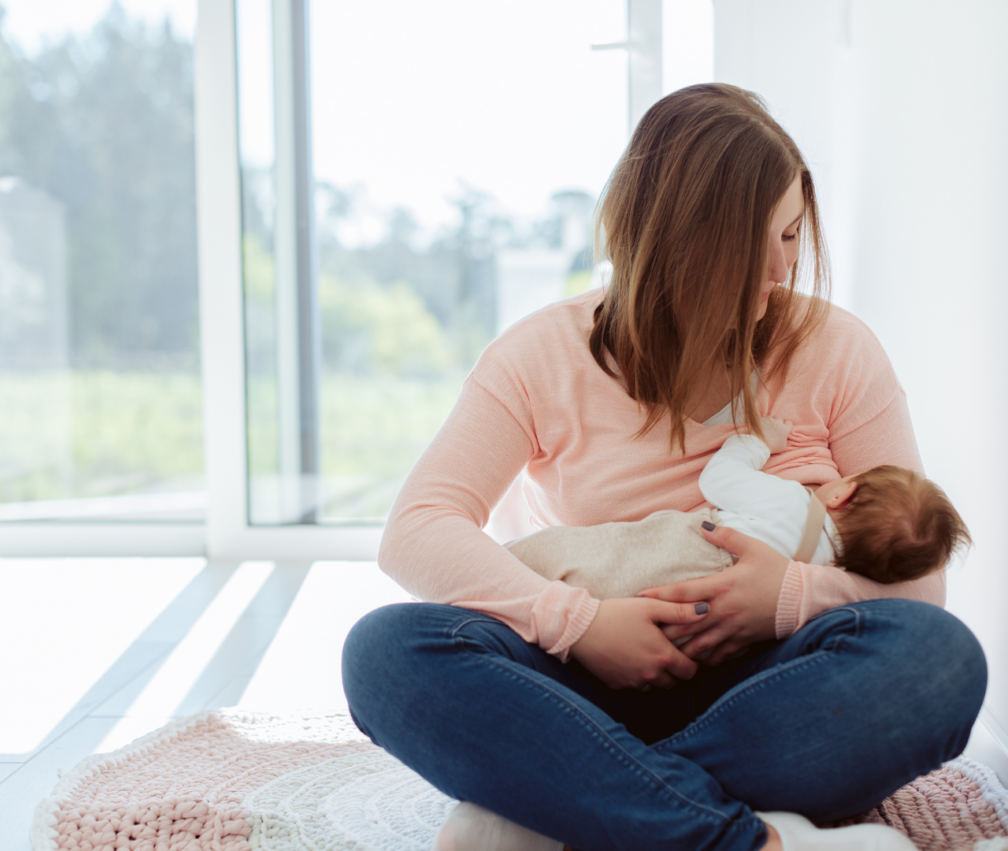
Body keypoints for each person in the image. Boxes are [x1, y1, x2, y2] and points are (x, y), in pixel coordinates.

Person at [341, 83, 987, 851]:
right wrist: (582, 625)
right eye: (763, 245)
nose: (784, 271)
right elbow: (415, 530)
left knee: (939, 662)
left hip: (770, 684)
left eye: (791, 237)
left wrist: (787, 597)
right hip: (579, 683)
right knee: (386, 652)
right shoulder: (538, 354)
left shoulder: (837, 349)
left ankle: (557, 806)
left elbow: (921, 589)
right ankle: (727, 836)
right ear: (679, 242)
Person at [509, 416, 972, 600]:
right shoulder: (829, 576)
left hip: (674, 552)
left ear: (840, 494)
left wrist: (756, 441)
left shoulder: (792, 501)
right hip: (693, 616)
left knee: (566, 554)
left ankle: (504, 563)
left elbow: (720, 479)